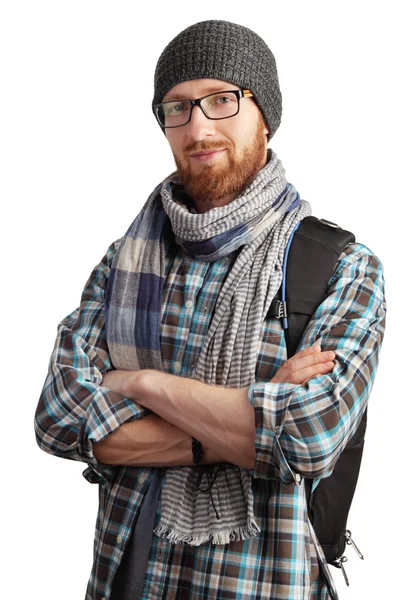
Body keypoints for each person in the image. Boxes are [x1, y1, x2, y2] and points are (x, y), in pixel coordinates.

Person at [34, 19, 386, 600]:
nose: (198, 127)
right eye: (177, 107)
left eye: (222, 100)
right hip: (129, 577)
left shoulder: (339, 266)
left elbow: (309, 436)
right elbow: (57, 418)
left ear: (264, 114)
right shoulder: (124, 263)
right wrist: (248, 420)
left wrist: (139, 384)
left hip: (267, 585)